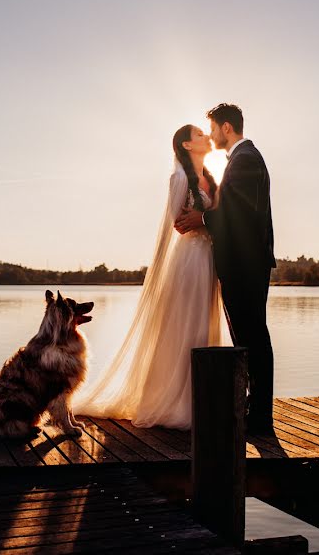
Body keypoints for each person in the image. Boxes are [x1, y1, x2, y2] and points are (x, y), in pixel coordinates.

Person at [71, 124, 228, 429]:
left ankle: (203, 395)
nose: (206, 137)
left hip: (209, 259)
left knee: (205, 326)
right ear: (185, 145)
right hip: (190, 261)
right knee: (189, 327)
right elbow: (177, 224)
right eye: (199, 134)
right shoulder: (180, 178)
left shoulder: (210, 178)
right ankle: (178, 402)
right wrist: (204, 223)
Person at [175, 103, 276, 433]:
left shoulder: (245, 159)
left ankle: (259, 416)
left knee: (252, 338)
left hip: (246, 264)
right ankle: (253, 407)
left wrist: (202, 218)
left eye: (213, 128)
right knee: (246, 336)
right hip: (243, 263)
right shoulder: (243, 159)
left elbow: (239, 213)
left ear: (226, 128)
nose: (212, 134)